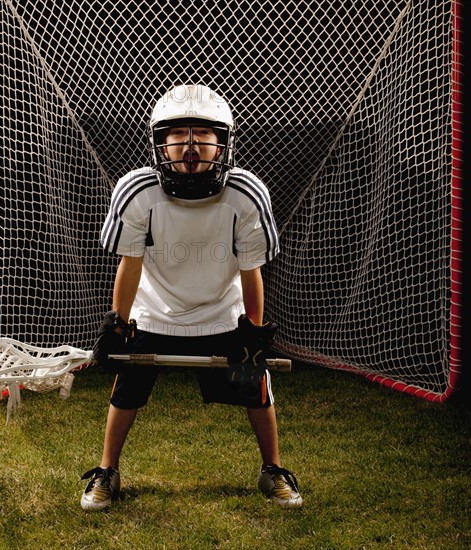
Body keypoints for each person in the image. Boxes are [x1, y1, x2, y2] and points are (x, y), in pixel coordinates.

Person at [80, 84, 303, 511]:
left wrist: (252, 332)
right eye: (178, 133)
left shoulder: (246, 193)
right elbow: (130, 265)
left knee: (255, 385)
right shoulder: (136, 190)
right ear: (160, 141)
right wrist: (120, 323)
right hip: (155, 312)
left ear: (223, 142)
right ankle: (107, 470)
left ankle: (272, 468)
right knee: (126, 389)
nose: (190, 144)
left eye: (203, 133)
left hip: (221, 313)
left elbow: (249, 269)